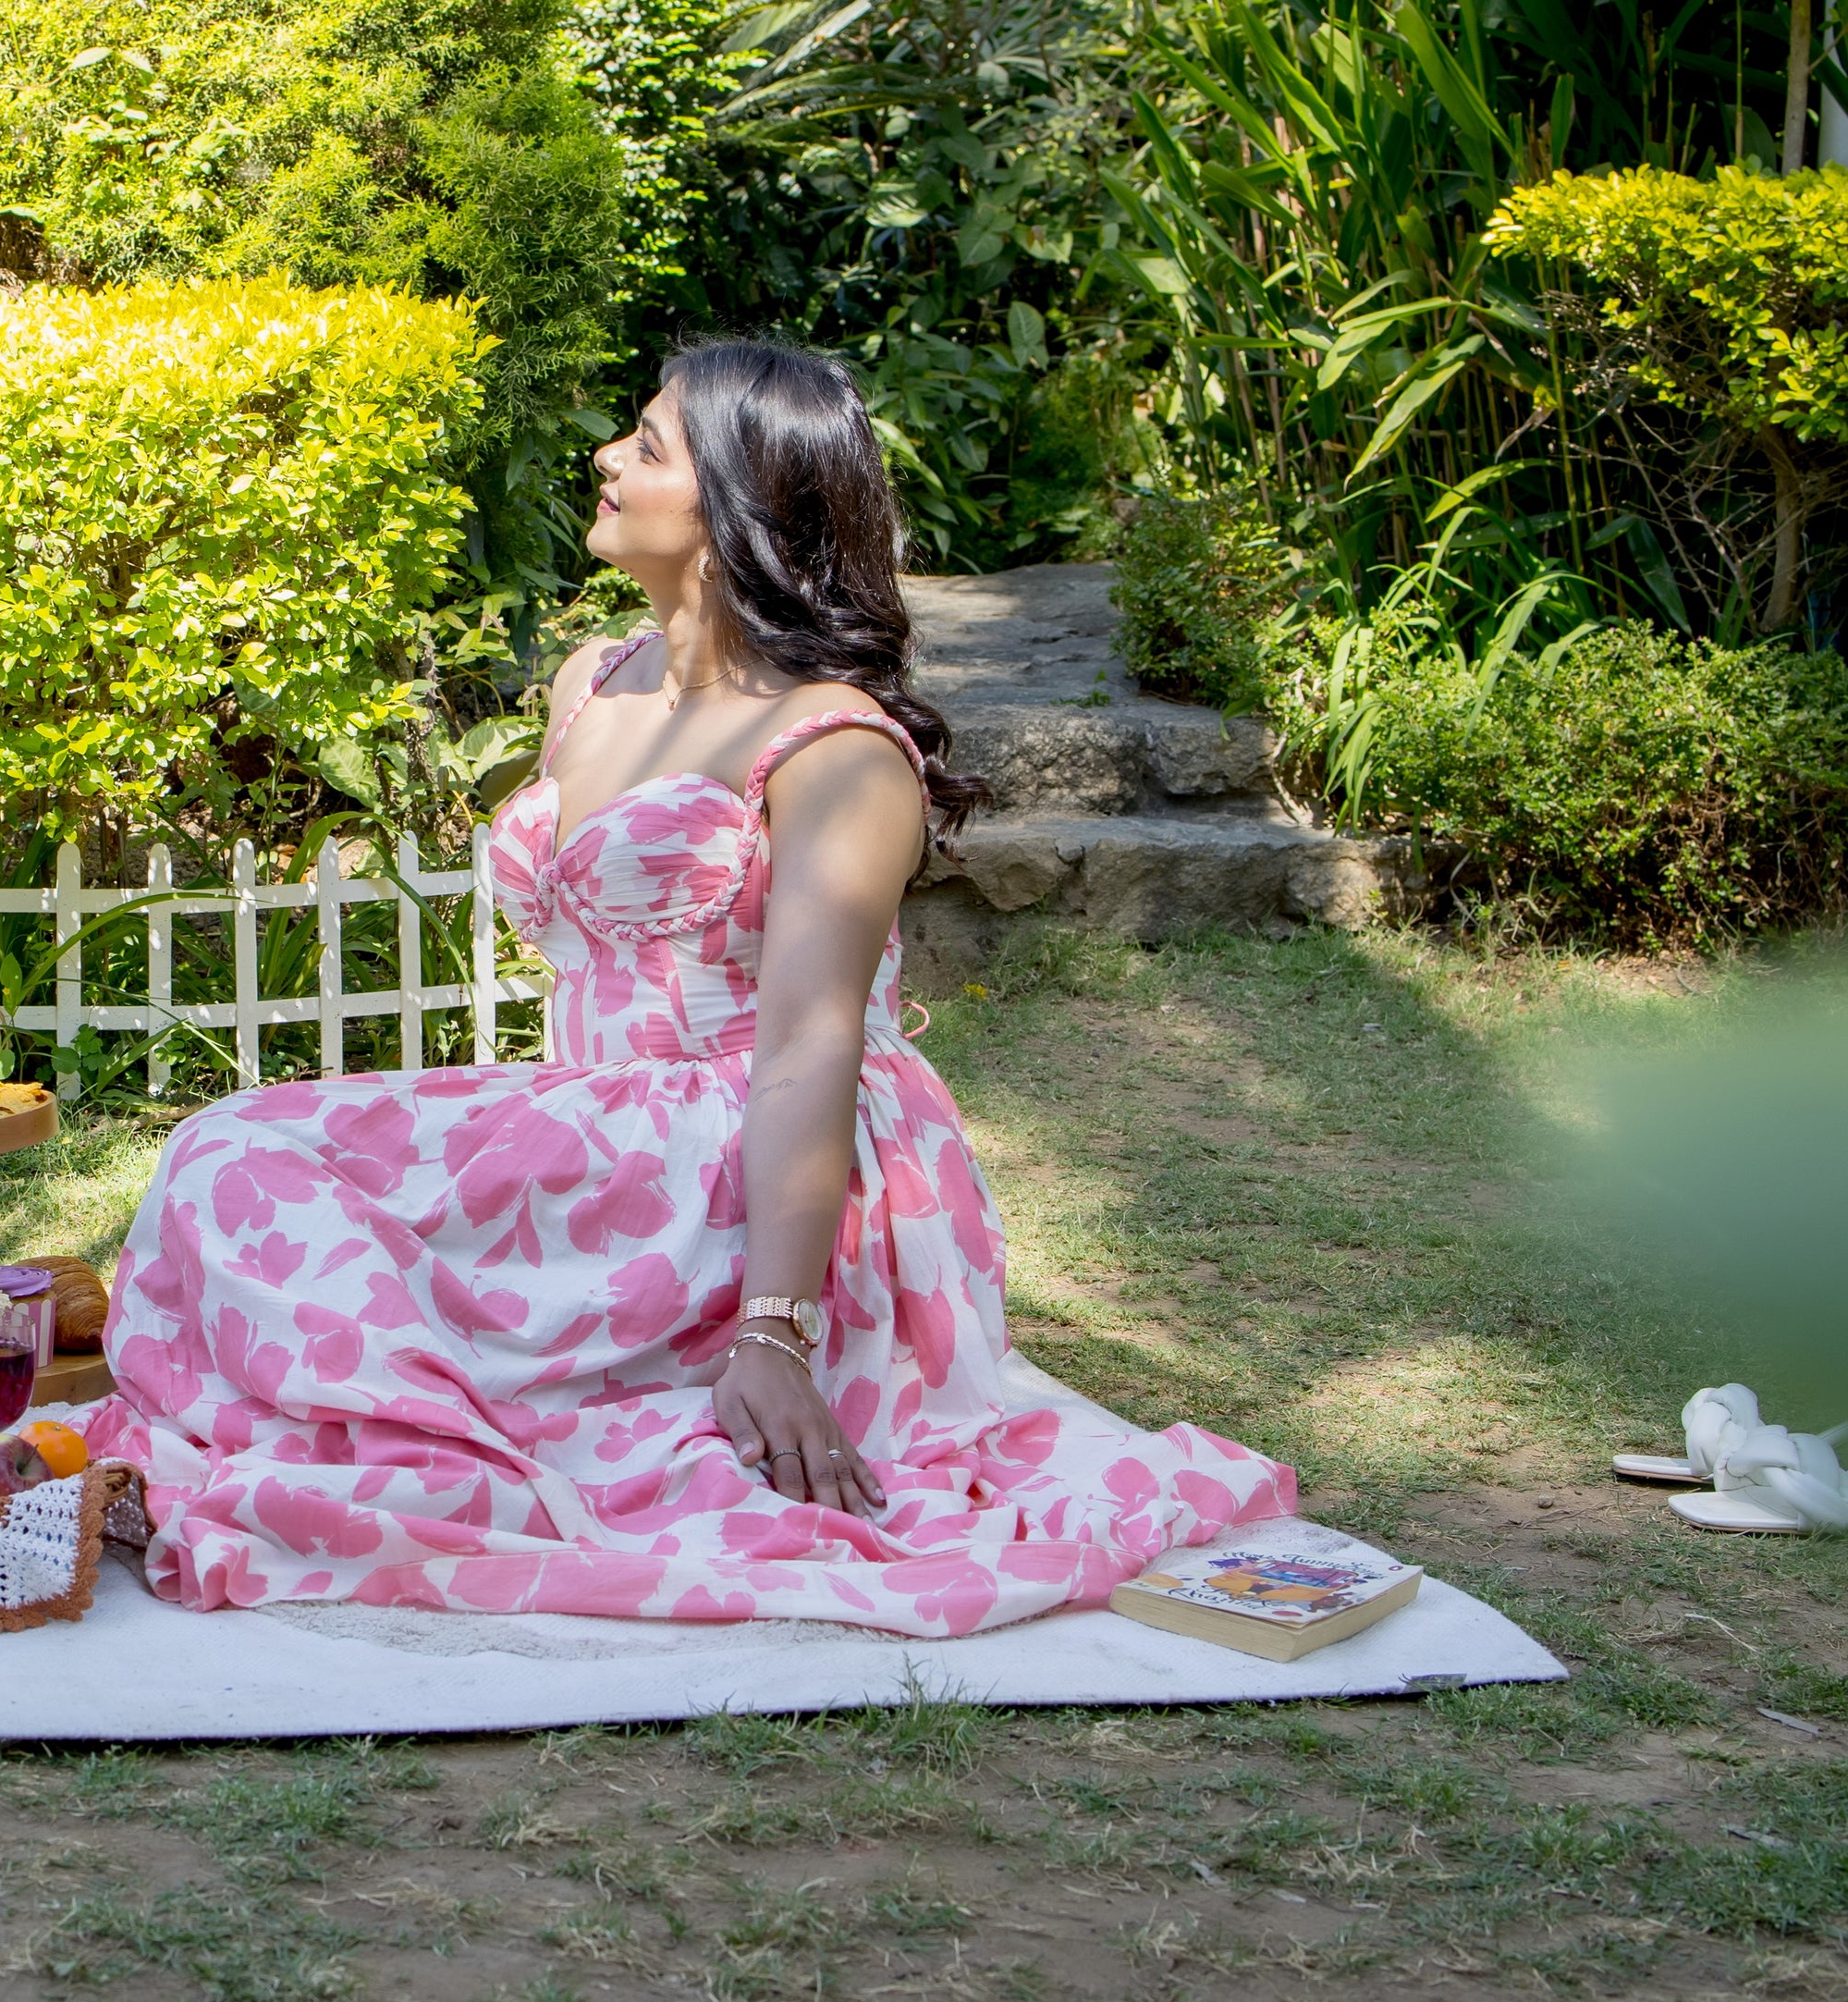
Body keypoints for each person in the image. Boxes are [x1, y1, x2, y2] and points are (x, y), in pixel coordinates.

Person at [75, 342, 1294, 1632]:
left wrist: (774, 1331)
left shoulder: (836, 748)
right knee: (235, 1161)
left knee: (234, 1153)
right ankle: (425, 1431)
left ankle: (455, 1459)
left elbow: (811, 1050)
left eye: (650, 446)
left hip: (745, 1148)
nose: (608, 456)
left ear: (740, 510)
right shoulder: (591, 684)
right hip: (592, 1127)